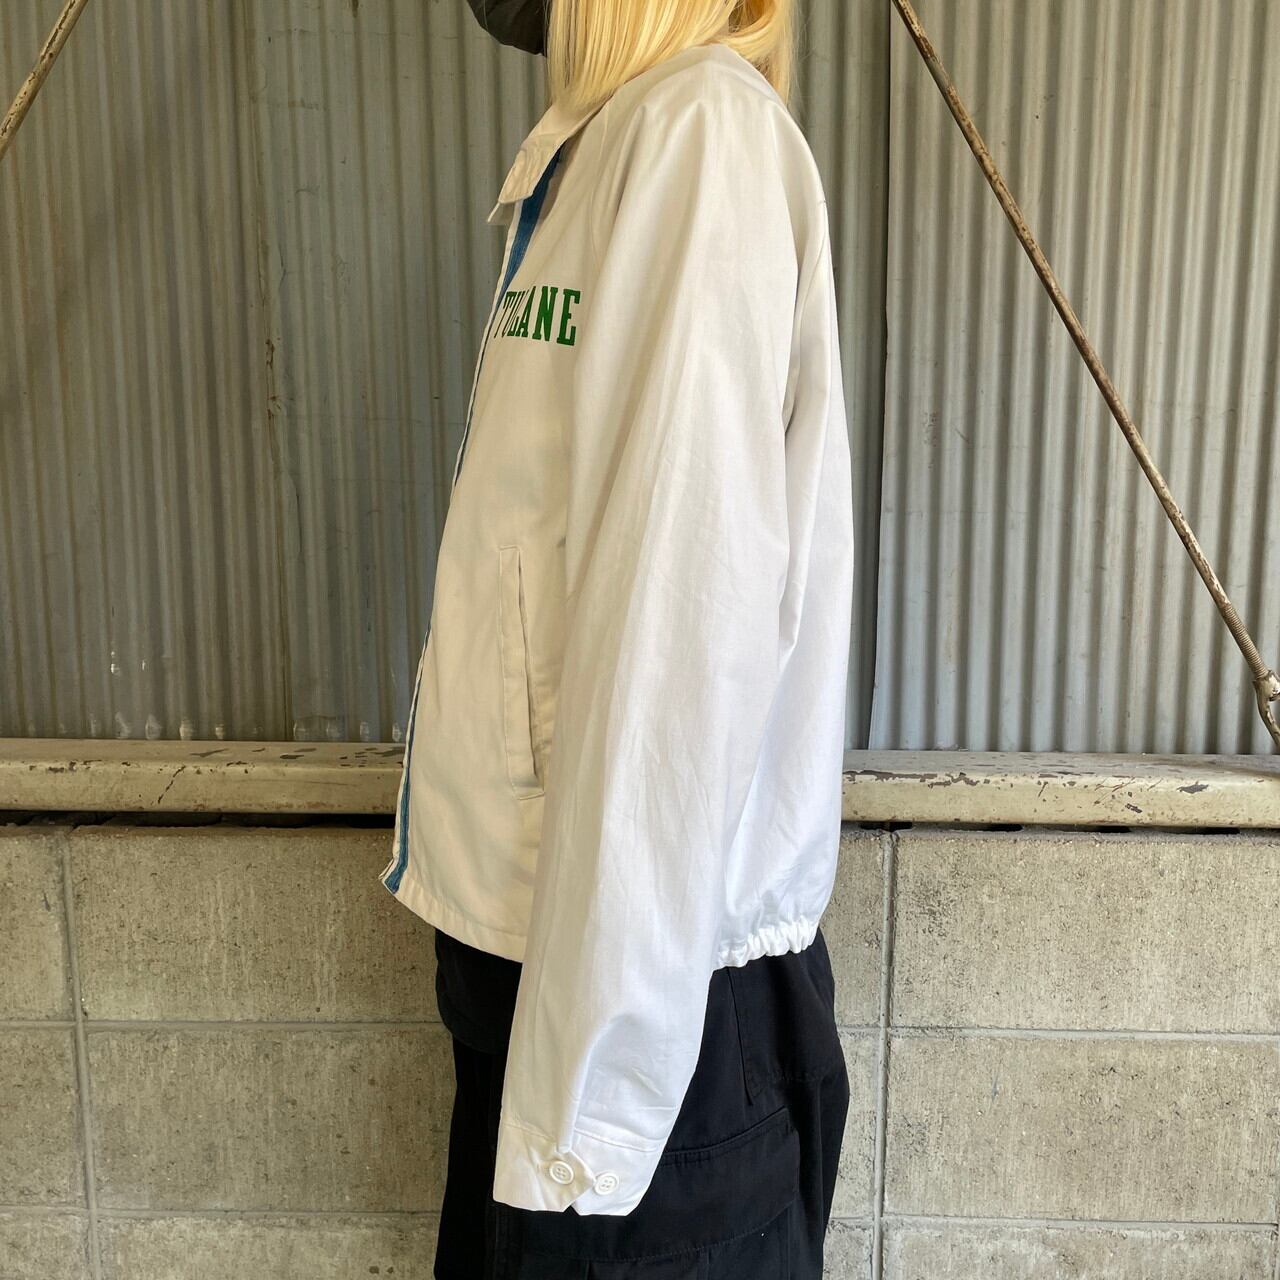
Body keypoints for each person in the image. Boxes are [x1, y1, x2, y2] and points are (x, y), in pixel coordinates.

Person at [379, 1, 857, 1274]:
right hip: (556, 985)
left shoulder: (695, 138)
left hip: (637, 1034)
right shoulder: (609, 146)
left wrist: (584, 1120)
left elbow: (676, 640)